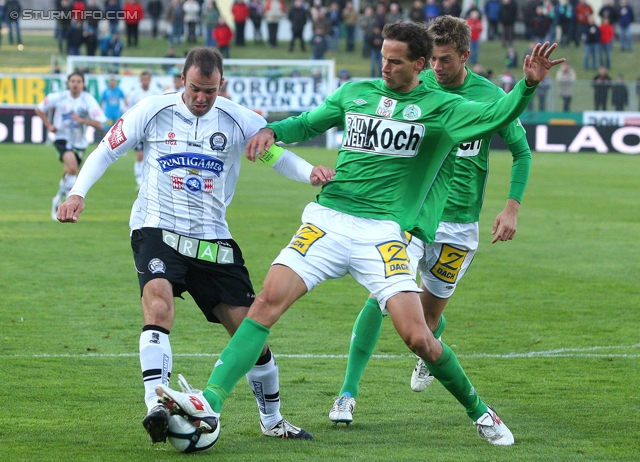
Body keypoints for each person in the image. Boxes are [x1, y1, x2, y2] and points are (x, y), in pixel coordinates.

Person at [152, 22, 563, 448]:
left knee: (419, 337)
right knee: (264, 305)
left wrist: (528, 87)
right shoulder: (356, 93)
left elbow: (498, 117)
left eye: (395, 61)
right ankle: (209, 401)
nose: (384, 66)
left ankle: (480, 411)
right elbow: (310, 122)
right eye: (382, 57)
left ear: (419, 64)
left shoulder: (442, 107)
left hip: (383, 234)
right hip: (327, 220)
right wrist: (273, 130)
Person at [56, 47, 335, 445]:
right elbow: (106, 150)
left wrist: (311, 173)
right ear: (180, 80)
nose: (202, 98)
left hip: (211, 238)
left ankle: (272, 419)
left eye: (210, 90)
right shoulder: (152, 110)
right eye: (194, 89)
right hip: (157, 229)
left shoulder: (240, 120)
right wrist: (78, 193)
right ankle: (155, 402)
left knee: (249, 333)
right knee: (158, 305)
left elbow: (276, 156)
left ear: (222, 84)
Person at [329, 14, 531, 437]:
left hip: (460, 223)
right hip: (414, 218)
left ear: (464, 55)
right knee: (380, 296)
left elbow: (521, 152)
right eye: (430, 60)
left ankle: (428, 351)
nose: (435, 68)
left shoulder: (488, 96)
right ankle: (347, 392)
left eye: (443, 60)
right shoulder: (417, 91)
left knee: (430, 315)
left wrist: (510, 208)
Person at [35, 72, 106, 221]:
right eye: (73, 81)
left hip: (79, 143)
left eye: (78, 81)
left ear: (83, 84)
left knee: (69, 171)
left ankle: (57, 198)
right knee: (73, 168)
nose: (75, 84)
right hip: (61, 137)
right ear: (68, 83)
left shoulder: (87, 99)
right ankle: (67, 203)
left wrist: (81, 120)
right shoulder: (59, 97)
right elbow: (39, 108)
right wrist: (49, 125)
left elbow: (99, 123)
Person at [126, 71, 161, 189]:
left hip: (152, 130)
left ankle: (148, 181)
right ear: (140, 80)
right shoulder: (134, 94)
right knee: (140, 155)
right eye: (143, 79)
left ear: (150, 80)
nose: (145, 81)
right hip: (138, 128)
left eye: (147, 79)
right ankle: (139, 181)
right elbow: (129, 110)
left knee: (151, 156)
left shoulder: (156, 94)